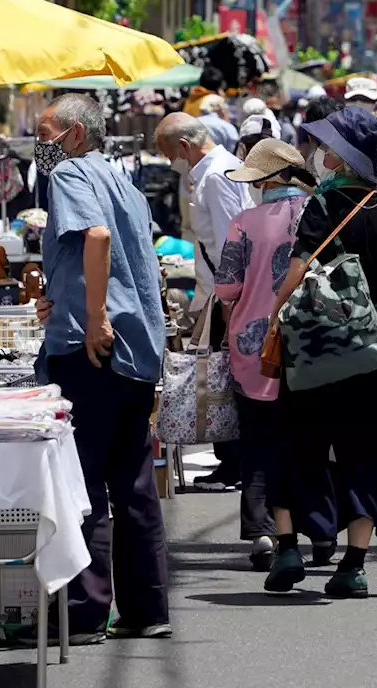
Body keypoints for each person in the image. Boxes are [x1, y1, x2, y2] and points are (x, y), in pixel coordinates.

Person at [264, 107, 377, 597]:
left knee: (293, 445)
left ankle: (289, 548)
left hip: (312, 349)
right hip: (369, 352)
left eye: (327, 148)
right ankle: (352, 566)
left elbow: (298, 268)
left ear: (342, 156)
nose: (319, 156)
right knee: (365, 453)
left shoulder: (320, 206)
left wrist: (275, 315)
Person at [34, 93, 170, 643]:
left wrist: (92, 317)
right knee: (133, 483)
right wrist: (62, 296)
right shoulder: (124, 183)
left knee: (85, 481)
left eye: (47, 133)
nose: (41, 146)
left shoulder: (69, 174)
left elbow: (96, 237)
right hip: (136, 348)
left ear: (74, 135)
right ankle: (148, 608)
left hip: (95, 348)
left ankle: (87, 612)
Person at [215, 139, 336, 570]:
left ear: (269, 180)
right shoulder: (322, 214)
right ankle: (321, 530)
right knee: (312, 442)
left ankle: (263, 533)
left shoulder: (244, 222)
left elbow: (226, 288)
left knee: (259, 443)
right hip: (314, 344)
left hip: (254, 345)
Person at [155, 112, 252, 490]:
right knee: (224, 374)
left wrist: (230, 297)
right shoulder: (223, 168)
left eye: (167, 154)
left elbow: (233, 237)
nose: (168, 163)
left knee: (221, 376)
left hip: (226, 292)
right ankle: (232, 462)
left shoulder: (215, 176)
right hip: (223, 290)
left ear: (184, 146)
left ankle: (233, 464)